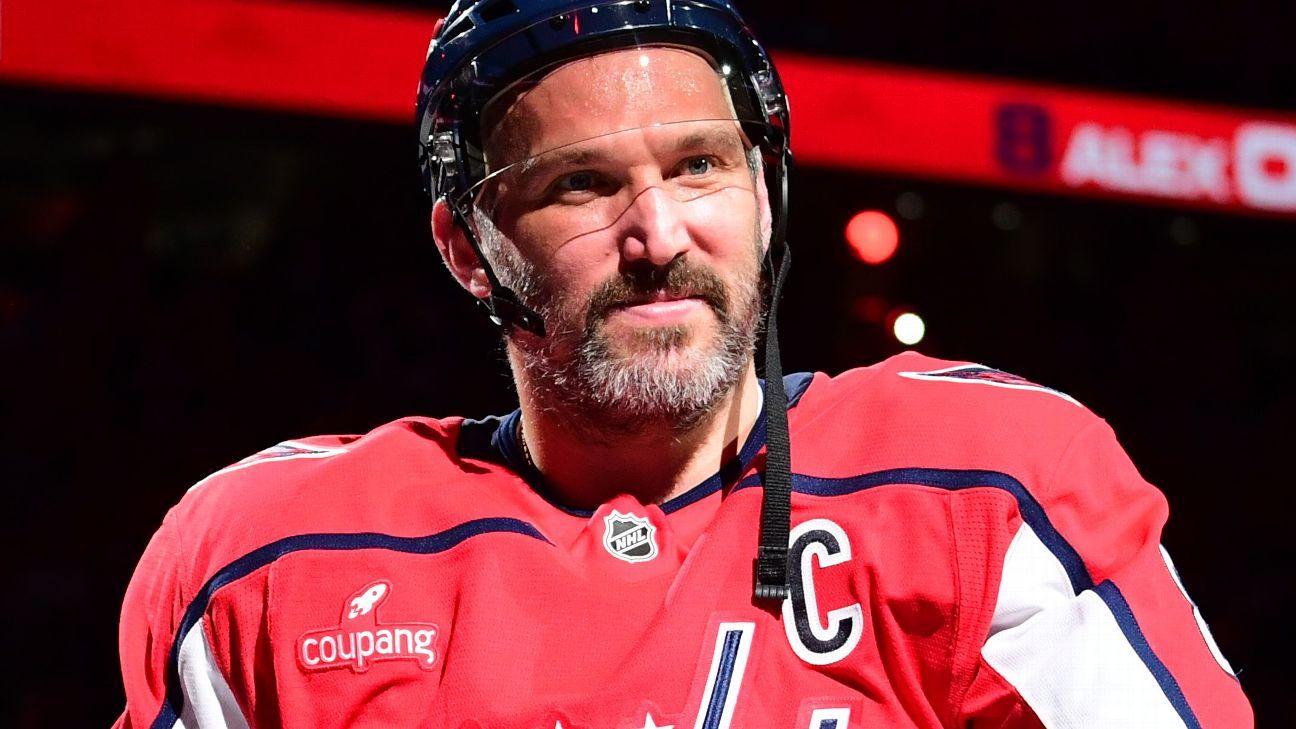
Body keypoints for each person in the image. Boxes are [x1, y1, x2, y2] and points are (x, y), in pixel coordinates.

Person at [114, 1, 1253, 727]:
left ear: (765, 193)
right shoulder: (264, 562)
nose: (659, 235)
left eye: (699, 165)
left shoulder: (988, 489)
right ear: (468, 248)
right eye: (582, 184)